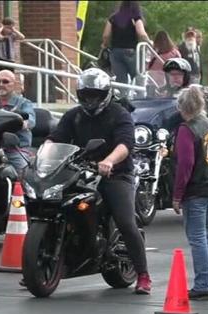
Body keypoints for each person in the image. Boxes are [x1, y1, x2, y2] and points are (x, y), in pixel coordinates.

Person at [47, 68, 152, 294]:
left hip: (115, 173)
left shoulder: (119, 114)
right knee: (52, 204)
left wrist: (109, 161)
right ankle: (45, 264)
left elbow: (125, 144)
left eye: (95, 95)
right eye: (86, 95)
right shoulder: (73, 116)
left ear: (105, 94)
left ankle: (143, 275)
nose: (91, 100)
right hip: (79, 171)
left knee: (125, 221)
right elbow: (55, 139)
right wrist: (43, 156)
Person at [171, 86, 208, 300]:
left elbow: (185, 164)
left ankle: (202, 284)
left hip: (196, 189)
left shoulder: (187, 129)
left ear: (180, 107)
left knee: (197, 238)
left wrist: (177, 194)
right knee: (207, 237)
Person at [0, 69, 35, 170]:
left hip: (16, 149)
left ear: (14, 84)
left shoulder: (23, 103)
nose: (1, 84)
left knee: (23, 171)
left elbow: (30, 121)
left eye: (5, 81)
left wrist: (18, 122)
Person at [102, 1, 150, 86]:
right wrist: (149, 43)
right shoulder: (135, 17)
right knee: (137, 78)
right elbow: (142, 34)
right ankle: (138, 93)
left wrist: (105, 45)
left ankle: (122, 94)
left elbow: (106, 35)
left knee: (121, 80)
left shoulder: (113, 18)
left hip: (115, 52)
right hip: (131, 51)